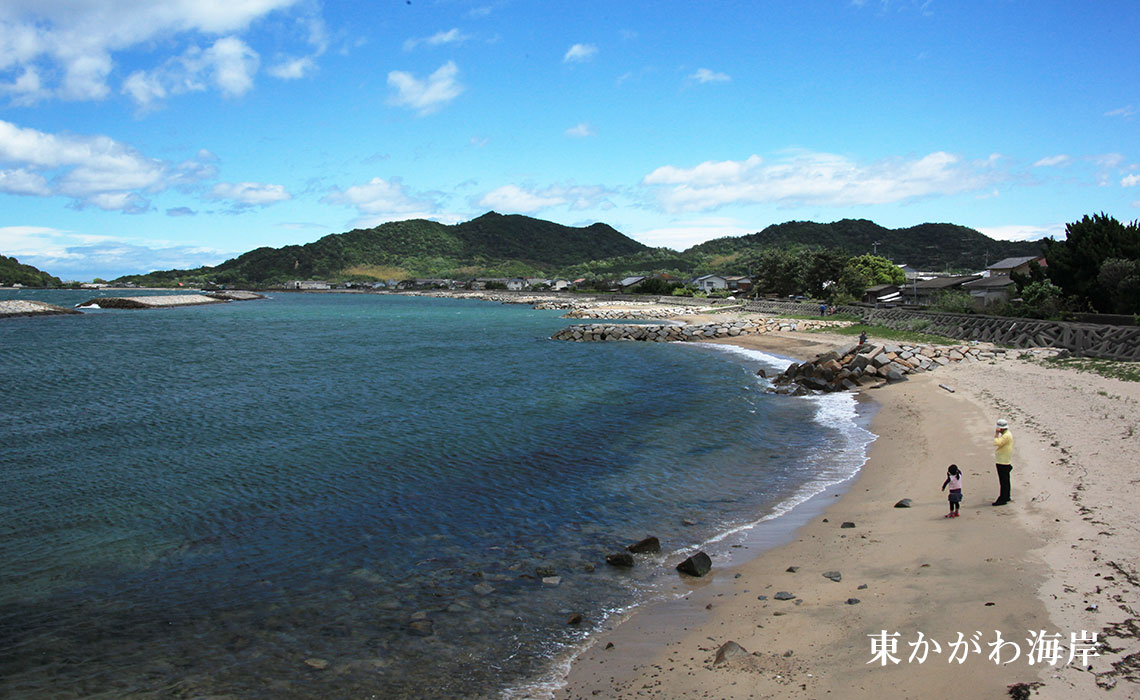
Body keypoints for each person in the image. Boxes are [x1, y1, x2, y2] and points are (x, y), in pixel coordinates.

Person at [993, 418, 1014, 505]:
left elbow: (996, 442)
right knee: (1006, 480)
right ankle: (1006, 496)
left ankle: (1003, 498)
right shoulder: (1007, 434)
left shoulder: (1006, 436)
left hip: (1003, 461)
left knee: (1003, 481)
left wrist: (996, 434)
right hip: (1004, 459)